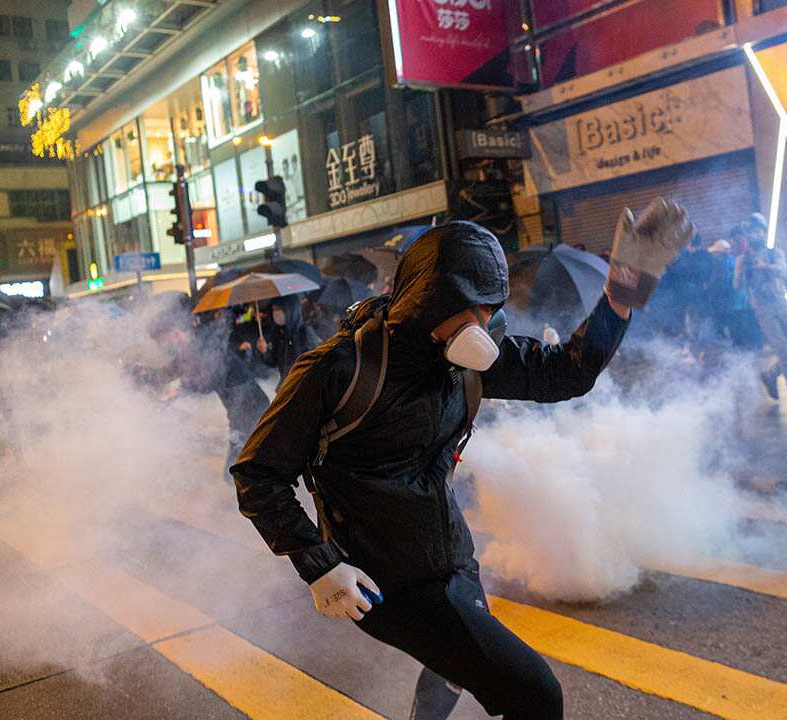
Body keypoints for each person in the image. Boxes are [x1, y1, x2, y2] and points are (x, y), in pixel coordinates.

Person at [231, 201, 693, 720]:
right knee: (537, 695)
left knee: (454, 668)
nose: (484, 322)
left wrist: (619, 298)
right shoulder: (337, 369)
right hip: (387, 580)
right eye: (471, 306)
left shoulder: (467, 361)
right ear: (429, 299)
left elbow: (567, 374)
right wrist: (318, 565)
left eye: (492, 308)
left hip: (452, 558)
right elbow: (257, 473)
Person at [146, 305, 271, 482]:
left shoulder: (205, 342)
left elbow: (209, 379)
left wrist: (180, 389)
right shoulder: (187, 352)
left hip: (252, 409)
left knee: (238, 473)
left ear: (174, 332)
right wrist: (141, 375)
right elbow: (167, 373)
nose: (162, 346)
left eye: (162, 340)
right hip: (238, 415)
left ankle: (258, 504)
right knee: (241, 473)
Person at [734, 218, 787, 411]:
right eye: (751, 232)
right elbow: (737, 285)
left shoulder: (774, 253)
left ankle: (771, 375)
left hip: (780, 302)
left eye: (758, 231)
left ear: (764, 233)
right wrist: (740, 270)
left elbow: (783, 271)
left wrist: (765, 266)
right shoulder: (743, 259)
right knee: (782, 349)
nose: (754, 235)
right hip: (763, 308)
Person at [258, 296, 321, 379]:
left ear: (290, 310)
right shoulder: (280, 332)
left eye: (279, 309)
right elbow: (274, 362)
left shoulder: (305, 333)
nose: (275, 313)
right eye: (273, 309)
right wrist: (264, 351)